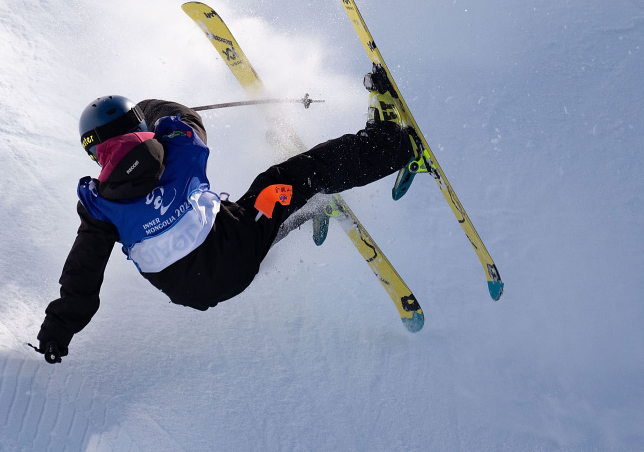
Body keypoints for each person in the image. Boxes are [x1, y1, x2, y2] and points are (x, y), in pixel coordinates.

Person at [31, 66, 418, 363]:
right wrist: (149, 113)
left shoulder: (100, 205)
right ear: (139, 126)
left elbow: (83, 272)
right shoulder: (177, 144)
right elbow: (183, 115)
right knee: (288, 178)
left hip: (193, 291)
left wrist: (58, 330)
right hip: (234, 245)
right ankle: (394, 144)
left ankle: (294, 211)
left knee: (235, 218)